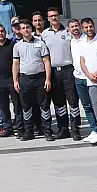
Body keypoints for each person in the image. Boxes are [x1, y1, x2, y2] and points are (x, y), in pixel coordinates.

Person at [41, 8, 81, 140]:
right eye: (51, 16)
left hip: (68, 70)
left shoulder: (68, 32)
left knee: (73, 100)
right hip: (53, 72)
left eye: (56, 15)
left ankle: (75, 129)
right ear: (48, 19)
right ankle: (63, 128)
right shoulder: (44, 34)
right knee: (59, 102)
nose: (54, 18)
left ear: (59, 17)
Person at [12, 20, 53, 141]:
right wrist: (15, 80)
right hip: (25, 79)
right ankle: (29, 131)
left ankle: (47, 131)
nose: (26, 30)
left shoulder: (40, 43)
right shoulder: (17, 46)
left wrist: (48, 79)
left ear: (31, 29)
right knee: (26, 107)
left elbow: (46, 62)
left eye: (27, 27)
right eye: (23, 28)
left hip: (40, 78)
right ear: (20, 30)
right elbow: (15, 64)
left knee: (44, 106)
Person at [75, 18, 97, 145]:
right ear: (83, 29)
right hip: (91, 82)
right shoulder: (82, 43)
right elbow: (82, 62)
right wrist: (89, 75)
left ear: (94, 26)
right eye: (86, 27)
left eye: (91, 26)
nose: (89, 29)